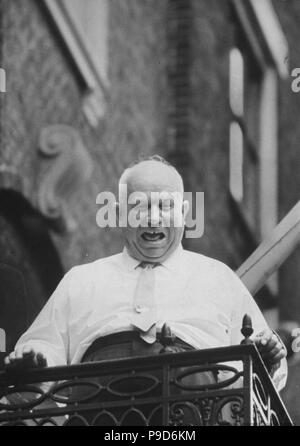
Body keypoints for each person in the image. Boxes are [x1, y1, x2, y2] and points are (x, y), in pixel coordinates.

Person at [4, 156, 287, 395]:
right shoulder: (82, 280)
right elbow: (45, 344)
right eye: (139, 205)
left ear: (184, 212)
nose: (152, 218)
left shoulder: (218, 278)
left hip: (193, 408)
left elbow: (253, 368)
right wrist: (36, 357)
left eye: (164, 206)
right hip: (99, 410)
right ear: (119, 212)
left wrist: (266, 357)